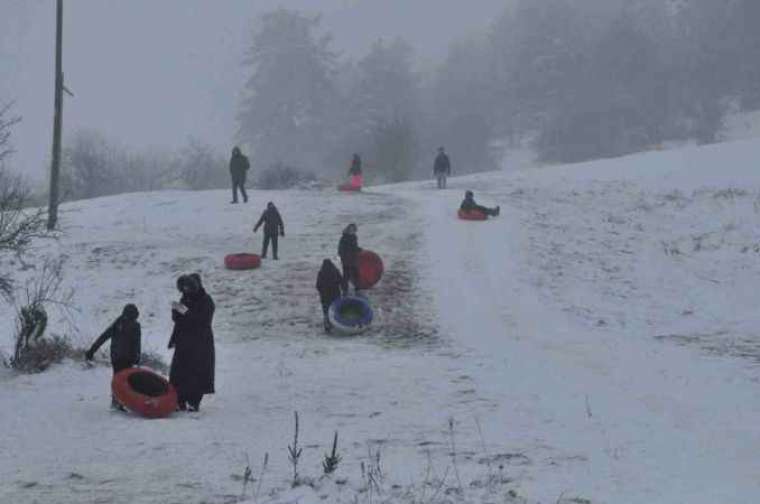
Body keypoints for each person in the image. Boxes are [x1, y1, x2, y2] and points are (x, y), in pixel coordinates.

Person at [169, 273, 215, 412]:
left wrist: (185, 312)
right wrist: (176, 312)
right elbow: (179, 322)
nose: (186, 291)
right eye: (184, 288)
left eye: (188, 288)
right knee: (179, 372)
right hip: (183, 342)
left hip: (200, 342)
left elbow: (203, 321)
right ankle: (179, 400)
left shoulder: (206, 301)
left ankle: (194, 402)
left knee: (197, 372)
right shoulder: (185, 298)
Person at [85, 304, 141, 410]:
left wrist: (91, 351)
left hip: (116, 357)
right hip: (127, 358)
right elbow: (137, 344)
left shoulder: (118, 323)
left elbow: (104, 337)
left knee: (118, 379)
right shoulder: (134, 325)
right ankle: (122, 402)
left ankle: (117, 401)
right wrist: (137, 358)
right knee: (127, 380)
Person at [316, 259, 344, 333]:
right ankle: (339, 324)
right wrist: (344, 290)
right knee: (336, 310)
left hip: (325, 296)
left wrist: (321, 292)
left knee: (326, 312)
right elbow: (341, 281)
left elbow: (318, 285)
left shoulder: (321, 273)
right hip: (335, 295)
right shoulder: (335, 271)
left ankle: (327, 326)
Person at [338, 223, 362, 294]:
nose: (352, 230)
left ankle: (358, 289)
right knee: (346, 276)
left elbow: (354, 248)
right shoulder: (344, 238)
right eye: (351, 229)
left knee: (356, 274)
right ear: (348, 229)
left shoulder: (354, 237)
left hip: (354, 259)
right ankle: (344, 290)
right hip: (347, 260)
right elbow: (340, 249)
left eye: (353, 229)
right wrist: (343, 258)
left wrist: (359, 250)